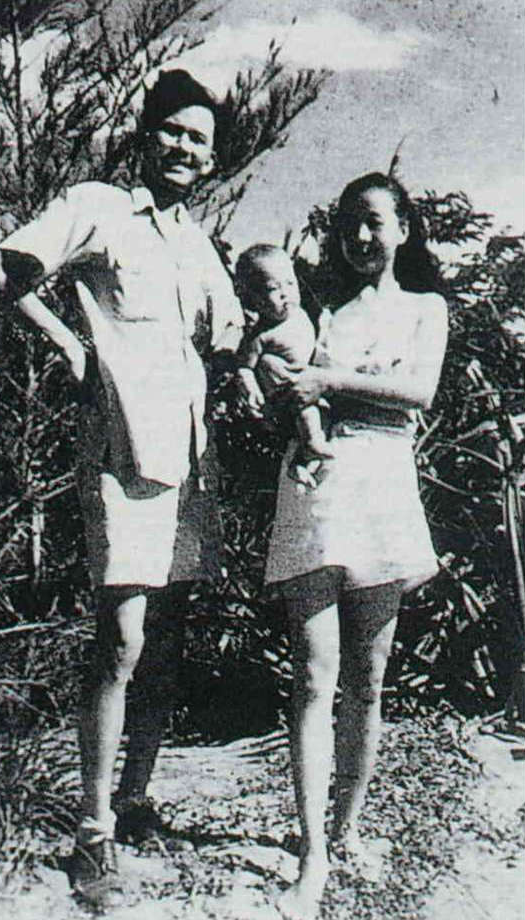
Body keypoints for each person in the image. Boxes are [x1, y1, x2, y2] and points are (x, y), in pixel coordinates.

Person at [0, 69, 243, 909]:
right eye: (173, 131)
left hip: (189, 455)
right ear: (145, 134)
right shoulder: (100, 206)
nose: (184, 148)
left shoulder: (195, 241)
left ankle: (133, 802)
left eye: (199, 139)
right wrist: (68, 344)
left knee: (165, 638)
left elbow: (228, 334)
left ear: (211, 158)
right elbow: (0, 265)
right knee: (122, 638)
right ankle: (91, 832)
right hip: (123, 451)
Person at [262, 171, 448, 920]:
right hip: (317, 484)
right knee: (314, 678)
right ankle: (311, 854)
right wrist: (282, 385)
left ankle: (347, 830)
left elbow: (420, 391)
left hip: (384, 485)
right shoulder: (316, 311)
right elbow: (282, 380)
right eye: (348, 224)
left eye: (374, 221)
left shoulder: (425, 308)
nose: (361, 237)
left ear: (403, 228)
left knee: (367, 682)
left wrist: (330, 378)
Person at [234, 244, 332, 479]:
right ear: (254, 299)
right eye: (272, 288)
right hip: (289, 392)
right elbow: (244, 367)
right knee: (307, 415)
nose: (285, 293)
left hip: (312, 380)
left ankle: (301, 463)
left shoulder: (302, 314)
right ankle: (311, 446)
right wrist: (251, 389)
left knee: (322, 415)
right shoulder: (261, 335)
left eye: (290, 283)